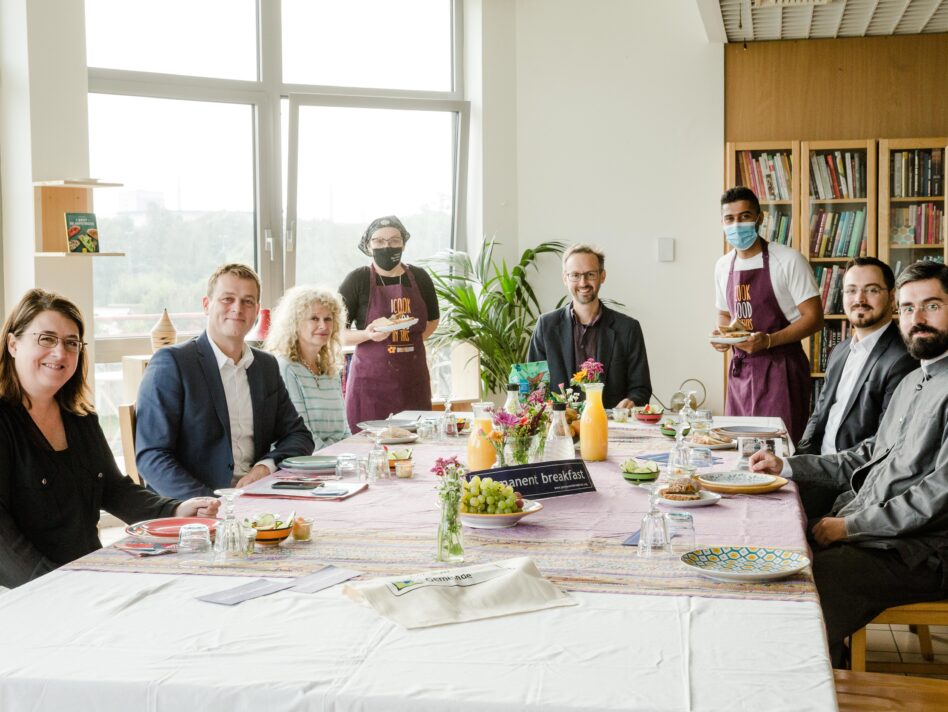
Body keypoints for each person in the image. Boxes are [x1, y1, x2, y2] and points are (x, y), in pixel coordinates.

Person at [749, 260, 948, 668]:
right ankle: (810, 668)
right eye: (909, 309)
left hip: (919, 550)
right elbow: (867, 454)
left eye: (932, 306)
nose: (918, 319)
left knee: (808, 584)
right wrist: (787, 467)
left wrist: (848, 526)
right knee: (772, 544)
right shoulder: (915, 380)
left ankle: (804, 680)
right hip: (878, 532)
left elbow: (935, 497)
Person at [0, 289, 220, 589]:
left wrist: (174, 511)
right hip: (26, 593)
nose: (60, 353)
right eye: (46, 339)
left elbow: (115, 490)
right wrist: (49, 586)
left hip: (88, 574)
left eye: (71, 343)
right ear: (13, 344)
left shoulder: (80, 417)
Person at [136, 264, 314, 499]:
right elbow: (152, 457)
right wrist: (208, 503)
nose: (237, 309)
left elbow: (299, 436)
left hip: (257, 497)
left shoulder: (266, 366)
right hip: (196, 504)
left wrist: (265, 467)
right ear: (207, 305)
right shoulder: (173, 363)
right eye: (227, 299)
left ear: (258, 311)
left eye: (247, 301)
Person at [712, 186, 823, 444]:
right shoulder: (722, 266)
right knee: (738, 445)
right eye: (730, 219)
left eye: (744, 216)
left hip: (781, 369)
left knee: (779, 448)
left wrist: (769, 341)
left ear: (759, 218)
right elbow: (724, 316)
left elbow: (814, 317)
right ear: (722, 222)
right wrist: (722, 338)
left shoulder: (787, 259)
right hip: (740, 371)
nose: (736, 225)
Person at [797, 257, 915, 456]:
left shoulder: (903, 358)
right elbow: (819, 415)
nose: (859, 299)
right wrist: (799, 460)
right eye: (851, 290)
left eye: (872, 290)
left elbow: (883, 444)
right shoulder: (840, 351)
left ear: (893, 297)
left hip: (852, 474)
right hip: (818, 464)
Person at [339, 216, 440, 431]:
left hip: (412, 380)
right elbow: (337, 332)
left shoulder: (420, 277)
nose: (387, 246)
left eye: (394, 240)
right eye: (379, 241)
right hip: (370, 385)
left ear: (404, 243)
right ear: (368, 245)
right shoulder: (357, 279)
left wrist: (410, 340)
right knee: (367, 447)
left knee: (416, 447)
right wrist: (368, 334)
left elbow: (433, 320)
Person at [528, 244, 651, 409]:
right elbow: (534, 387)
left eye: (590, 274)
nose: (583, 282)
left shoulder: (628, 329)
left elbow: (641, 389)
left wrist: (631, 401)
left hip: (610, 428)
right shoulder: (545, 327)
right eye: (575, 275)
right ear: (565, 278)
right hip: (560, 428)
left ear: (602, 276)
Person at [265, 285, 351, 449]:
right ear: (295, 324)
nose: (323, 326)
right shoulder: (286, 368)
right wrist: (339, 457)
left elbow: (344, 429)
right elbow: (302, 432)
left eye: (328, 319)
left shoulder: (331, 370)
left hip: (334, 461)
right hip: (302, 462)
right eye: (314, 318)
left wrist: (352, 454)